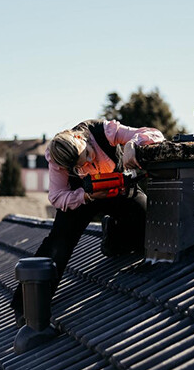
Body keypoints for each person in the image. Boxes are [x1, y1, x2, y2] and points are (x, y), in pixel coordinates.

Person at [11, 119, 164, 324]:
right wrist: (86, 196)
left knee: (149, 224)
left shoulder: (105, 131)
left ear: (80, 139)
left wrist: (132, 145)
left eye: (87, 157)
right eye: (78, 167)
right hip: (82, 196)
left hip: (116, 188)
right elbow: (57, 197)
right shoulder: (57, 158)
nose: (86, 166)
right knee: (58, 244)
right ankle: (27, 304)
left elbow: (155, 134)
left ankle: (114, 239)